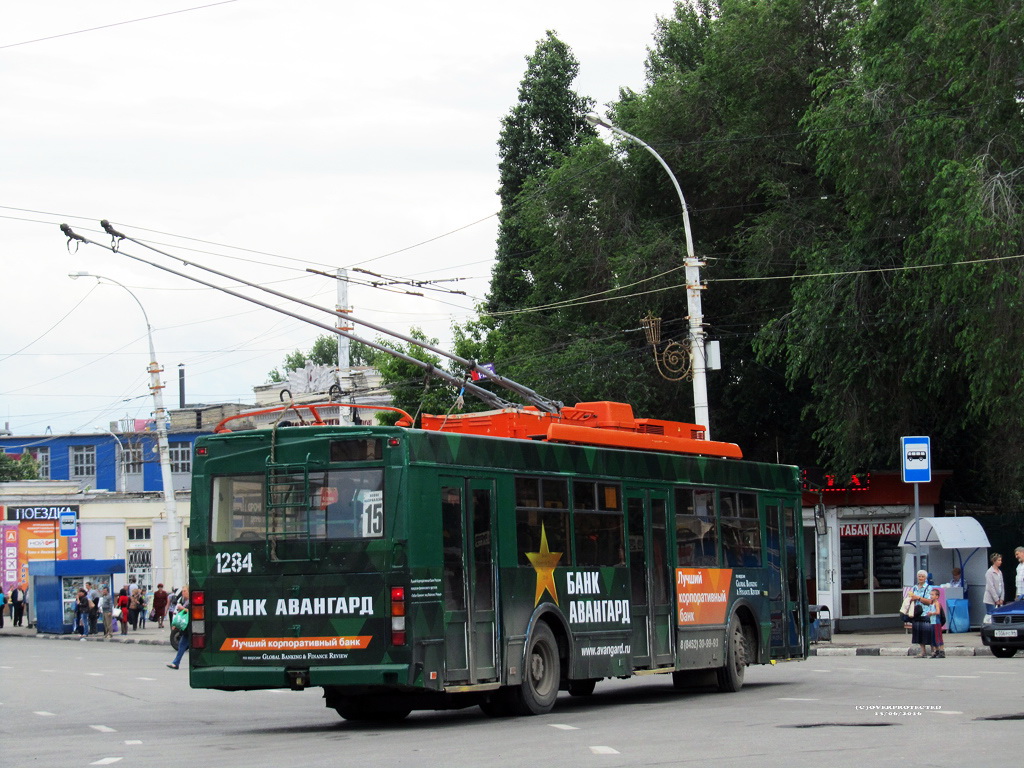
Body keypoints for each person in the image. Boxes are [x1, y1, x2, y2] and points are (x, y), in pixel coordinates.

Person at [907, 569, 934, 658]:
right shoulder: (914, 587)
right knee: (919, 632)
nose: (921, 578)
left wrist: (918, 598)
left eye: (922, 576)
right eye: (919, 576)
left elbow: (929, 601)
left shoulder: (929, 588)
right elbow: (910, 598)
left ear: (925, 578)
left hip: (926, 612)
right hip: (916, 612)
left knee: (928, 632)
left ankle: (933, 651)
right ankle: (923, 651)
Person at [167, 586, 190, 670]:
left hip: (191, 627)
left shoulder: (191, 601)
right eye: (183, 591)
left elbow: (191, 611)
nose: (183, 593)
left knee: (183, 645)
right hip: (185, 627)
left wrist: (182, 608)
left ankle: (176, 663)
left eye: (185, 591)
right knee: (182, 645)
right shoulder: (184, 601)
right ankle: (176, 663)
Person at [925, 587, 945, 658]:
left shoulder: (937, 603)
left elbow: (938, 612)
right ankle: (936, 650)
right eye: (931, 595)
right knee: (933, 637)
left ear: (937, 596)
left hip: (936, 622)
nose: (931, 596)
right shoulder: (931, 603)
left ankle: (941, 651)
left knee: (938, 637)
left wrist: (931, 613)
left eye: (933, 595)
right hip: (932, 622)